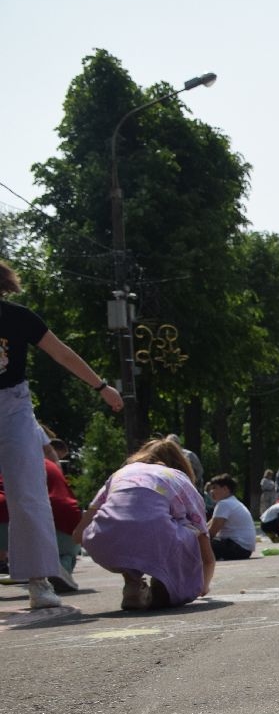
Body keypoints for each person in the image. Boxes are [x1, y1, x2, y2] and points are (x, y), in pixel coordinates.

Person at [0, 259, 124, 608]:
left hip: (13, 408)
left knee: (27, 491)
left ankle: (39, 582)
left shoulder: (19, 317)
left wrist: (101, 386)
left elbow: (62, 354)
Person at [76, 439, 213, 611]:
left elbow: (78, 533)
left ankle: (133, 583)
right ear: (180, 464)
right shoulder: (177, 477)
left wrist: (127, 559)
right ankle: (165, 586)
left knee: (129, 526)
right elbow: (202, 533)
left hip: (102, 544)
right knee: (184, 526)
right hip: (158, 538)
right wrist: (203, 584)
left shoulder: (120, 475)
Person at [0, 436, 83, 591]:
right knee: (67, 553)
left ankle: (37, 565)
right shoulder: (49, 466)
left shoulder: (11, 462)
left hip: (9, 521)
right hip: (64, 524)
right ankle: (60, 566)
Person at [204, 475, 257, 561]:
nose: (211, 491)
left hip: (237, 548)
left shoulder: (224, 504)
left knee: (198, 544)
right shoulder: (232, 502)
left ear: (225, 489)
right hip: (244, 550)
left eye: (214, 488)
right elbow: (207, 527)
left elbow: (211, 532)